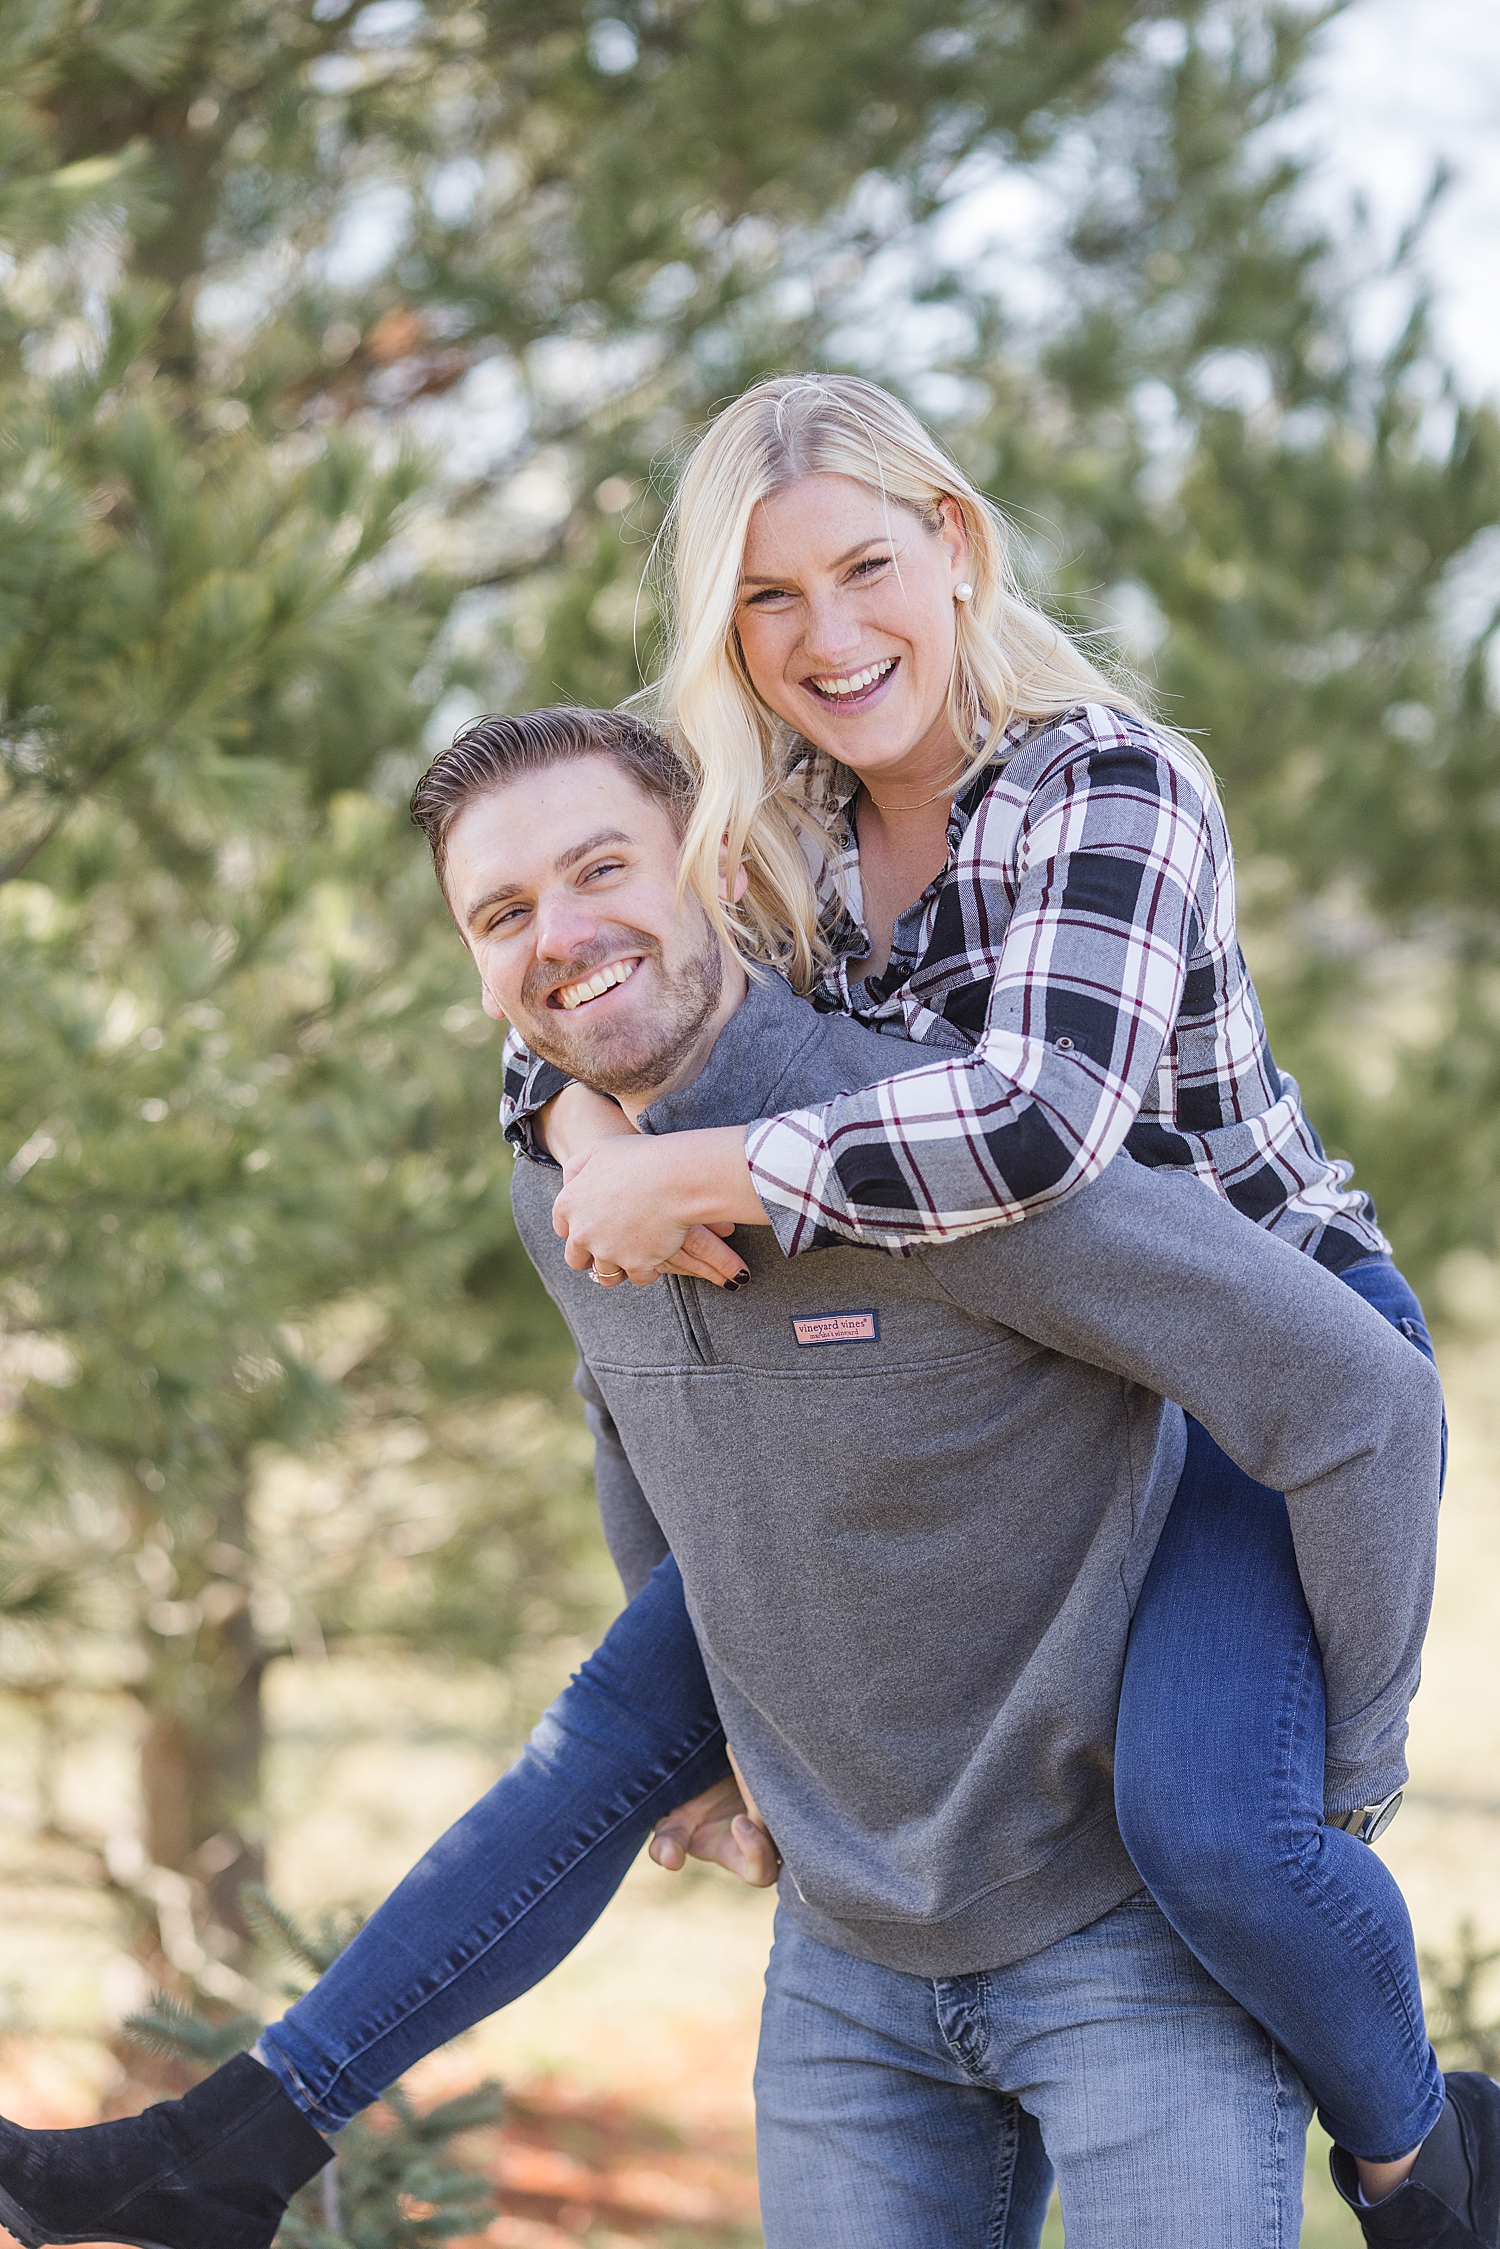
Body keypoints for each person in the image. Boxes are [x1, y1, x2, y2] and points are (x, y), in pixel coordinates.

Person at [0, 708, 1475, 2249]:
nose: (561, 935)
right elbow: (633, 1422)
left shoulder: (950, 1153)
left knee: (1203, 1823)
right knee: (605, 1729)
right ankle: (228, 2147)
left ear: (712, 864)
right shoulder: (560, 1183)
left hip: (1117, 1937)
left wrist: (1336, 1769)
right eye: (502, 915)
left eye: (601, 868)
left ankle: (1426, 2166)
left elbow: (1356, 1393)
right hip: (850, 1960)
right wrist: (733, 1727)